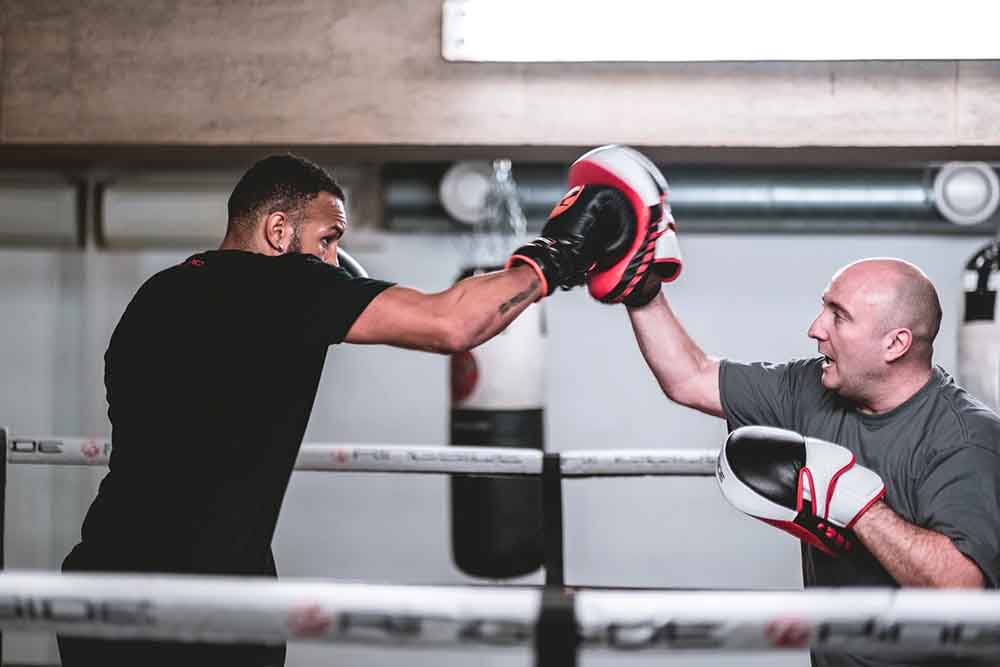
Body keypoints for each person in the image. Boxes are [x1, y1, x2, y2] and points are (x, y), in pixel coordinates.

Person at [57, 151, 644, 666]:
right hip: (208, 602)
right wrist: (559, 256)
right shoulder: (287, 288)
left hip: (101, 580)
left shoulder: (159, 292)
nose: (333, 260)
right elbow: (452, 325)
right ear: (279, 230)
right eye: (328, 238)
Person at [615, 249, 1000, 665]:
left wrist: (862, 509)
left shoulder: (965, 439)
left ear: (895, 343)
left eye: (839, 316)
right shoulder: (812, 388)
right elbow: (690, 377)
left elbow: (959, 591)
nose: (815, 329)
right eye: (824, 308)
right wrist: (642, 290)